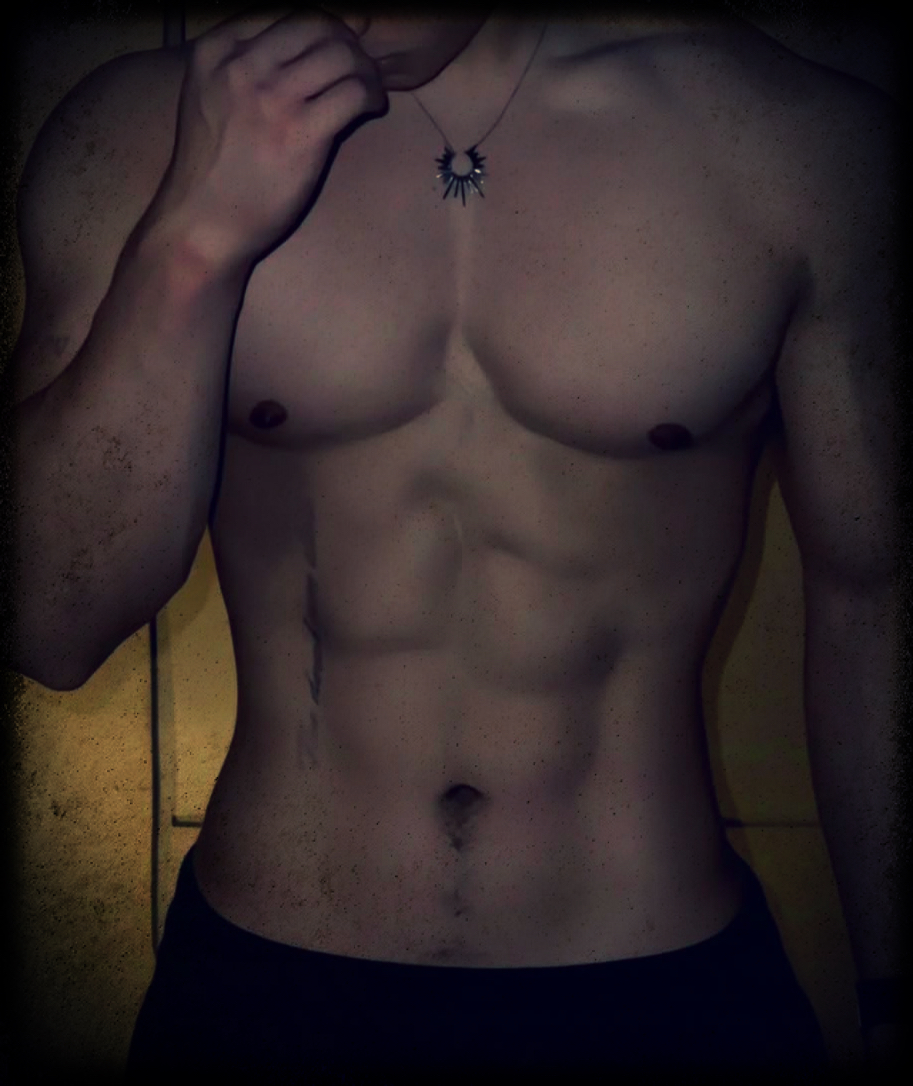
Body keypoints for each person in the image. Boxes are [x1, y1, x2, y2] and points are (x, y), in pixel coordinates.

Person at [8, 1, 902, 1080]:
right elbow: (50, 622)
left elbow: (873, 607)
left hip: (660, 978)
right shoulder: (134, 134)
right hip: (270, 982)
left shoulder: (792, 144)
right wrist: (192, 240)